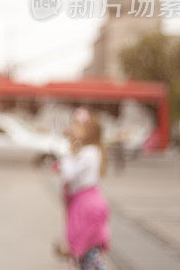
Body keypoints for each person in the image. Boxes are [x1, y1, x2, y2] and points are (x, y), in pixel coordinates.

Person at [55, 107, 111, 269]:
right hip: (88, 201)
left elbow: (69, 174)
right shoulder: (91, 151)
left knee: (87, 249)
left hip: (85, 204)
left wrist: (64, 162)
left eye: (77, 126)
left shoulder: (89, 152)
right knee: (88, 250)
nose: (72, 129)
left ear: (88, 131)